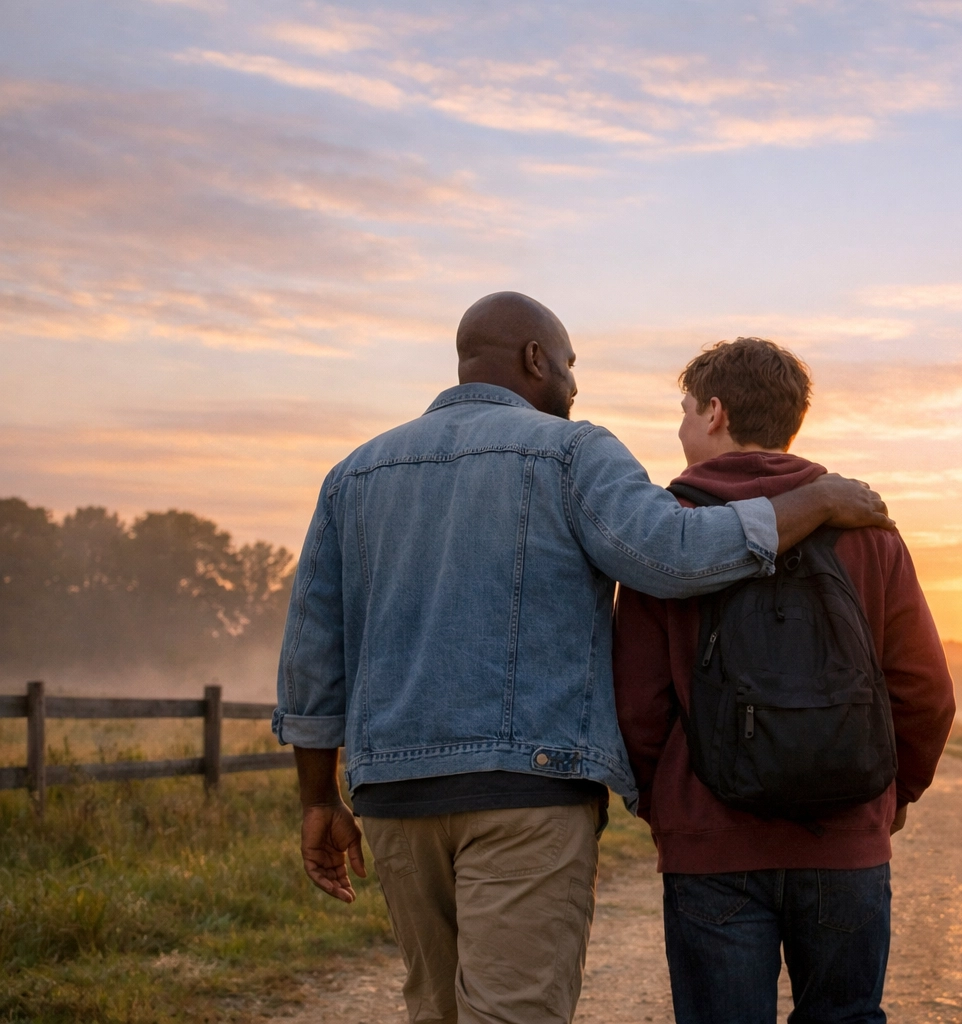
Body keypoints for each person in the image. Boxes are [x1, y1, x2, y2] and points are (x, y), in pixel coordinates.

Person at [272, 294, 893, 1024]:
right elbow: (669, 553)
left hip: (394, 798)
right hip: (527, 798)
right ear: (536, 359)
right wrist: (812, 501)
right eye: (569, 366)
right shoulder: (571, 452)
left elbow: (313, 653)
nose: (573, 387)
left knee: (434, 1011)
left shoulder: (354, 474)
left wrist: (318, 798)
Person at [612, 337, 955, 1024]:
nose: (681, 430)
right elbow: (923, 691)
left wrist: (670, 808)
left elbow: (637, 704)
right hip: (845, 833)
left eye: (684, 413)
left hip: (710, 843)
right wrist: (893, 794)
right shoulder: (866, 527)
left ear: (714, 412)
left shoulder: (670, 535)